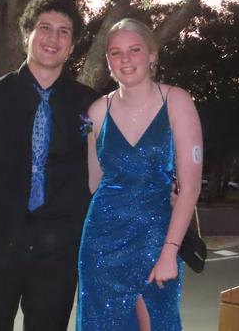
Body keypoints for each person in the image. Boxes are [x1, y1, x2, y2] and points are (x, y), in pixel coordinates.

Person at [0, 0, 99, 331]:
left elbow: (97, 173)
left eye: (64, 31)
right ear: (27, 35)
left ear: (72, 45)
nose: (53, 38)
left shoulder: (89, 104)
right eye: (44, 27)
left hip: (58, 254)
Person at [76, 18, 203, 330]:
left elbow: (190, 188)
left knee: (158, 322)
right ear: (107, 61)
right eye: (115, 53)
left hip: (158, 238)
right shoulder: (95, 112)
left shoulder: (177, 101)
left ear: (152, 54)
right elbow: (93, 183)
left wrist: (170, 252)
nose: (125, 59)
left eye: (134, 50)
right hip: (102, 241)